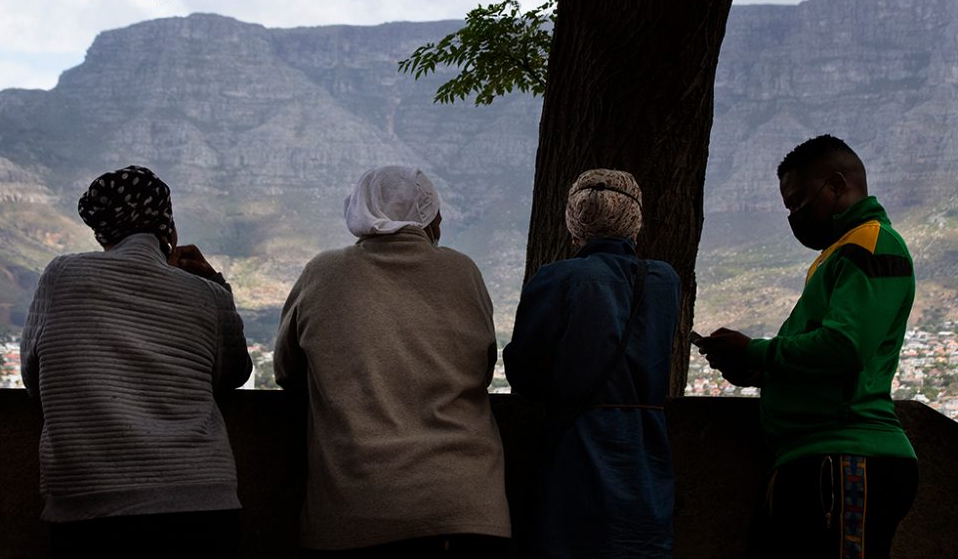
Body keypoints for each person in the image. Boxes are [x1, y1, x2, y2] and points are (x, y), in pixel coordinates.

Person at [698, 135, 918, 559]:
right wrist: (754, 369)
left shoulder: (872, 243)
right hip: (813, 460)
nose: (795, 217)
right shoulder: (839, 253)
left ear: (837, 185)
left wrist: (757, 351)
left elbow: (843, 347)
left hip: (845, 460)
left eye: (798, 202)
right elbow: (817, 356)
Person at [273, 165, 511, 557]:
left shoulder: (323, 273)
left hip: (361, 508)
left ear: (361, 210)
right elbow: (482, 370)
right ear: (429, 217)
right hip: (469, 507)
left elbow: (287, 372)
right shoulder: (463, 271)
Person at [20, 165, 252, 559]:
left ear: (101, 233)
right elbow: (234, 373)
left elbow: (32, 375)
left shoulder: (61, 276)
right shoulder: (206, 294)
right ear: (170, 230)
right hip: (202, 504)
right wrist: (215, 284)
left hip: (89, 509)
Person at [503, 168, 680, 558]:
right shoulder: (665, 281)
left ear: (574, 220)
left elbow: (524, 370)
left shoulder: (558, 279)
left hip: (575, 450)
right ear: (635, 218)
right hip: (646, 453)